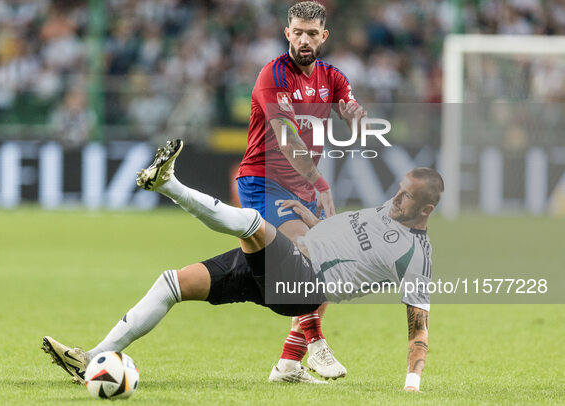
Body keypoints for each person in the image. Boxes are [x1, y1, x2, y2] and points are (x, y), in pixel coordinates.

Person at [42, 139, 442, 391]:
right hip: (283, 266)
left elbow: (418, 330)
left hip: (302, 289)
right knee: (171, 284)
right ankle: (91, 357)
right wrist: (309, 219)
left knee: (252, 223)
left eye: (406, 197)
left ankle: (167, 184)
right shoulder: (384, 215)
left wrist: (412, 385)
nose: (395, 199)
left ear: (426, 208)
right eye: (398, 190)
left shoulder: (415, 257)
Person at [237, 1, 366, 382]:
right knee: (311, 252)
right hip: (263, 182)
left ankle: (289, 363)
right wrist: (321, 183)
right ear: (287, 34)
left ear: (323, 36)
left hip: (302, 187)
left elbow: (350, 109)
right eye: (298, 32)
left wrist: (357, 117)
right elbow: (287, 138)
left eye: (312, 33)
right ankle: (316, 344)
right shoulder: (273, 75)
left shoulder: (333, 77)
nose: (304, 39)